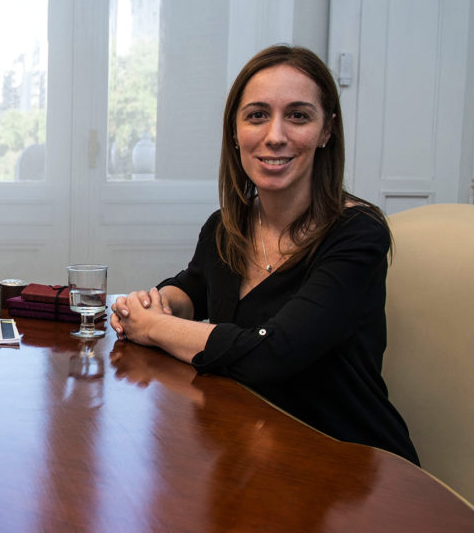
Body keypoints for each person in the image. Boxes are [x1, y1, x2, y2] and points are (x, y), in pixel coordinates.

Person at [110, 45, 418, 464]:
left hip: (347, 467)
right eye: (257, 115)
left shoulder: (357, 234)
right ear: (235, 131)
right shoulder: (225, 225)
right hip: (248, 450)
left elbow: (271, 353)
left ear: (326, 130)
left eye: (298, 115)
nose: (275, 135)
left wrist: (152, 327)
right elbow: (195, 284)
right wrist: (161, 302)